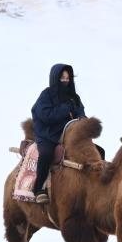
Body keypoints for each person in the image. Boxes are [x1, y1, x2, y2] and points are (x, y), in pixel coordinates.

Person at [30, 63, 85, 203]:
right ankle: (38, 189)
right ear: (55, 78)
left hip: (68, 136)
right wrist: (66, 108)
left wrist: (84, 121)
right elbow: (45, 115)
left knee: (95, 151)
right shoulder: (46, 95)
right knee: (47, 154)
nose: (65, 81)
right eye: (62, 78)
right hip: (48, 135)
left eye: (68, 78)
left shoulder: (74, 97)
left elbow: (81, 113)